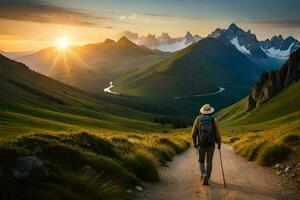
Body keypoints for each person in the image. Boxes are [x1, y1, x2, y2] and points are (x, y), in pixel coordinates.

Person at [192, 104, 221, 185]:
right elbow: (217, 134)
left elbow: (193, 133)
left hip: (201, 144)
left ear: (202, 111)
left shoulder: (198, 119)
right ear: (210, 111)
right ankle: (207, 179)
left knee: (201, 161)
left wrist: (194, 143)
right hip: (211, 145)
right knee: (209, 162)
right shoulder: (213, 120)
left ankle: (203, 174)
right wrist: (219, 144)